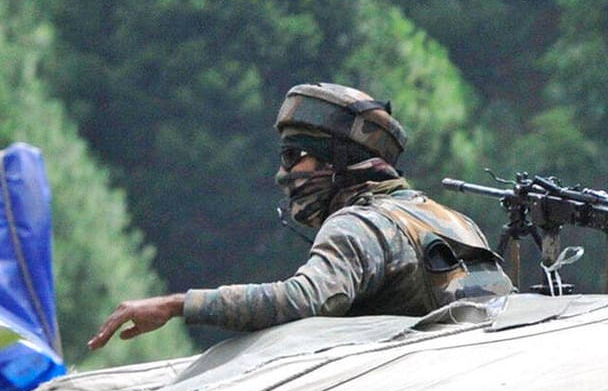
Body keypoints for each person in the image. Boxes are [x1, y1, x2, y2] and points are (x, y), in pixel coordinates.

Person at [89, 83, 513, 350]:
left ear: (338, 161)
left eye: (294, 157)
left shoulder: (360, 225)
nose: (284, 174)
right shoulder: (451, 220)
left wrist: (178, 305)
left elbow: (305, 300)